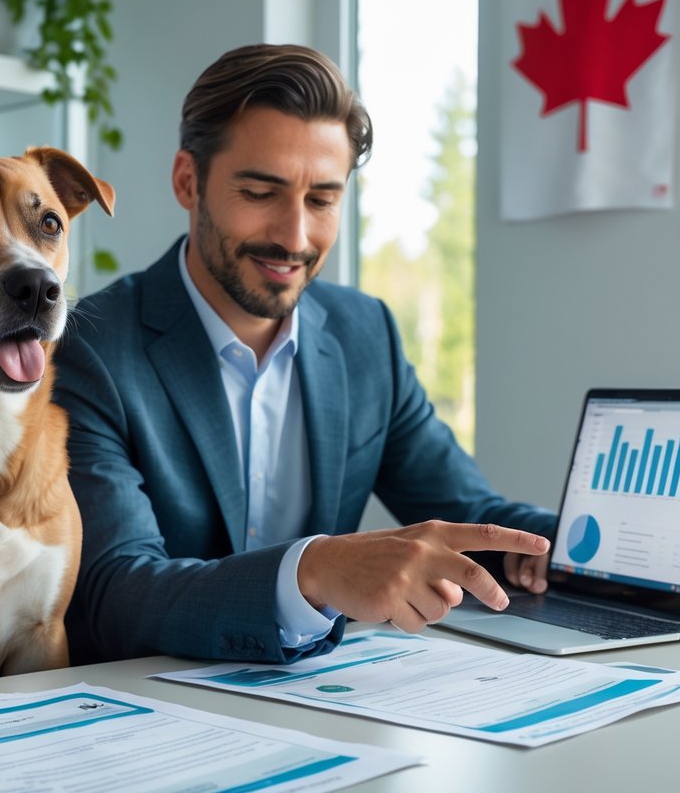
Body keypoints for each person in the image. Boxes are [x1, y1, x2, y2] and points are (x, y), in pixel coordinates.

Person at [53, 43, 556, 666]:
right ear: (189, 181)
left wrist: (580, 543)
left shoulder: (364, 332)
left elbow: (470, 519)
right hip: (145, 719)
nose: (295, 237)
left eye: (321, 200)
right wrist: (311, 573)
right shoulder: (93, 348)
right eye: (261, 192)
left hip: (323, 708)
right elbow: (113, 590)